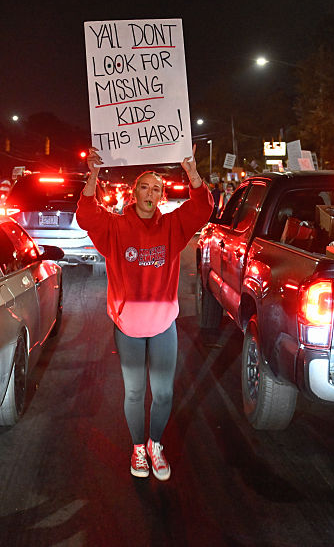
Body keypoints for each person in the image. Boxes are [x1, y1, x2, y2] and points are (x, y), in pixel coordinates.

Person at [76, 147, 212, 481]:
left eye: (156, 189)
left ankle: (155, 444)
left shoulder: (173, 226)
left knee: (164, 393)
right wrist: (93, 175)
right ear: (134, 193)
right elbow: (87, 216)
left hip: (164, 324)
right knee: (135, 392)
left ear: (162, 196)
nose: (150, 193)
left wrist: (192, 172)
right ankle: (138, 447)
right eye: (144, 187)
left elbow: (203, 209)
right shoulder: (115, 226)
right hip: (128, 327)